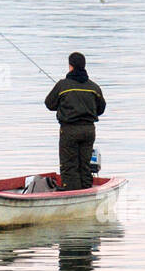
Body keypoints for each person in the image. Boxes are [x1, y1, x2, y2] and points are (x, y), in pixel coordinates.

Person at [43, 52, 106, 191]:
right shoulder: (94, 87)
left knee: (69, 165)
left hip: (69, 130)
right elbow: (101, 109)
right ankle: (87, 193)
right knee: (85, 165)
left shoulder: (62, 85)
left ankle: (72, 194)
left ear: (70, 66)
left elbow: (49, 104)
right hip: (89, 131)